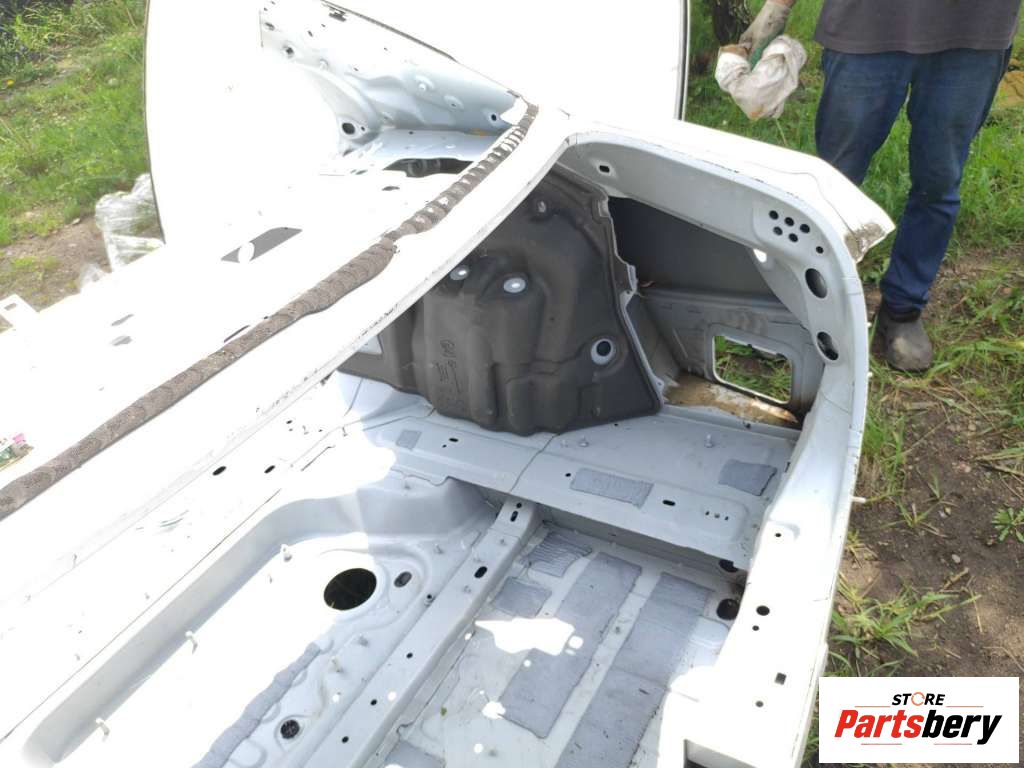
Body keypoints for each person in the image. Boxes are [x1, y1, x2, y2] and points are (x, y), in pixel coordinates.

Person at [739, 0, 1020, 371]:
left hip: (976, 31)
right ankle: (804, 299)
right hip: (867, 22)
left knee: (938, 181)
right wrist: (778, 5)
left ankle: (902, 310)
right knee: (833, 181)